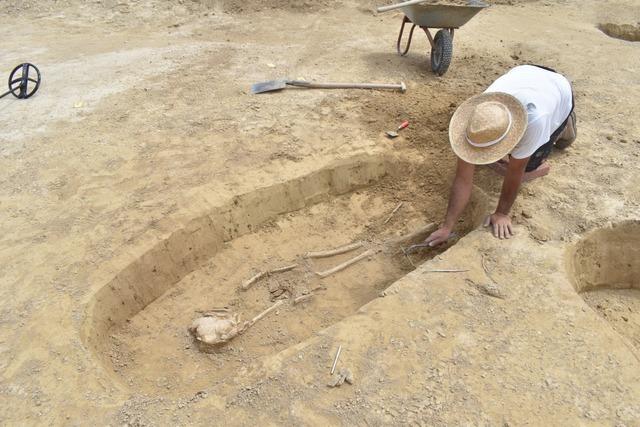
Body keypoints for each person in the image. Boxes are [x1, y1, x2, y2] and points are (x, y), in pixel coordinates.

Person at [425, 65, 576, 246]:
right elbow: (463, 178)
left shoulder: (534, 121)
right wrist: (447, 227)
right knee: (490, 153)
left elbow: (515, 172)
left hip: (557, 90)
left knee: (530, 163)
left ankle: (566, 125)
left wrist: (501, 213)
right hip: (525, 72)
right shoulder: (479, 119)